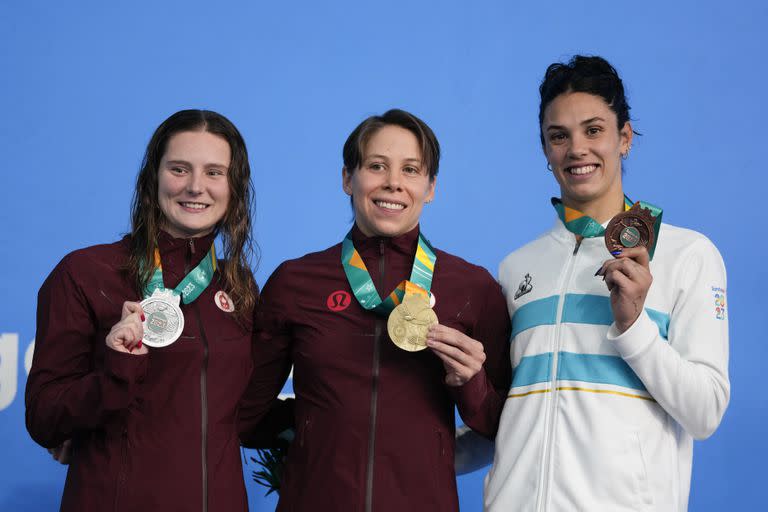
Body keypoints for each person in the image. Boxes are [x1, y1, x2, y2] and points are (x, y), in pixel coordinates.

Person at [483, 56, 730, 511]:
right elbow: (512, 418)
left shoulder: (688, 255)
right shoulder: (516, 268)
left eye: (593, 130)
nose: (577, 148)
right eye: (559, 136)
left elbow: (705, 412)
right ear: (545, 150)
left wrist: (635, 327)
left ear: (625, 138)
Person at [237, 109, 511, 511]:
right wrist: (315, 422)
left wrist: (470, 383)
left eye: (411, 170)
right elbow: (247, 415)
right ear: (348, 178)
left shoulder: (473, 288)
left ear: (431, 186)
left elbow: (504, 428)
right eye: (376, 166)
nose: (393, 183)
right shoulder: (295, 282)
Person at [26, 109, 264, 511]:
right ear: (152, 178)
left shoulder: (236, 284)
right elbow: (45, 417)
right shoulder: (85, 273)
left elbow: (244, 409)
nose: (195, 187)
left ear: (234, 188)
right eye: (179, 169)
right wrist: (115, 370)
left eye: (214, 173)